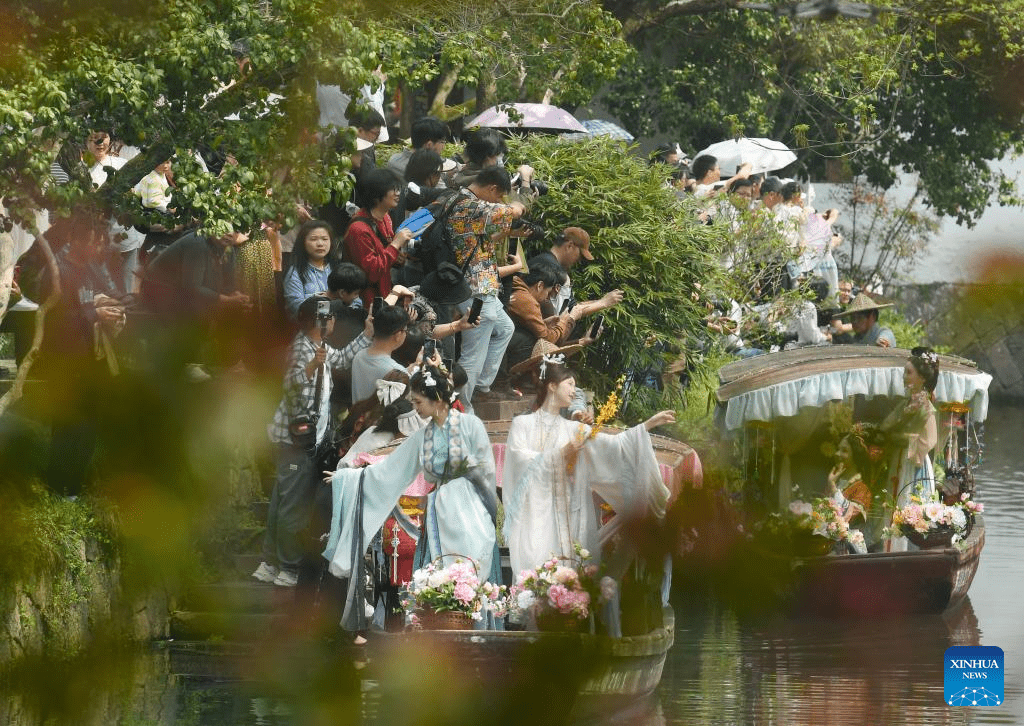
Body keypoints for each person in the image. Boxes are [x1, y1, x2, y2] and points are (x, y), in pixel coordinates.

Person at [321, 364, 499, 631]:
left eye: (417, 401)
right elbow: (390, 470)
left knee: (470, 574)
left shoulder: (470, 425)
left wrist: (487, 513)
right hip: (441, 512)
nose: (414, 408)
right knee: (441, 577)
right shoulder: (423, 437)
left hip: (471, 510)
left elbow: (487, 472)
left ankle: (474, 639)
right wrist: (349, 478)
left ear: (436, 398)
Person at [502, 356, 675, 576]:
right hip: (535, 513)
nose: (574, 391)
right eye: (570, 384)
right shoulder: (522, 424)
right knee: (536, 572)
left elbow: (614, 446)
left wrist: (646, 426)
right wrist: (561, 453)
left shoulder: (573, 429)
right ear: (552, 386)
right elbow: (519, 461)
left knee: (568, 573)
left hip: (567, 512)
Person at [253, 294, 372, 588]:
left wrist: (368, 333)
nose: (331, 322)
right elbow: (290, 383)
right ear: (322, 321)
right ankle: (288, 567)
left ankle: (269, 563)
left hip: (303, 439)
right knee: (292, 504)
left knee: (283, 498)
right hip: (296, 440)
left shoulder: (315, 346)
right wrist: (310, 367)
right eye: (329, 318)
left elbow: (342, 358)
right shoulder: (300, 348)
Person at [446, 165, 526, 406]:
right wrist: (525, 187)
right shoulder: (470, 205)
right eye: (499, 195)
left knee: (505, 328)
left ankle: (480, 385)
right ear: (492, 188)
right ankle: (462, 406)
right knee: (473, 351)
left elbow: (479, 240)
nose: (499, 201)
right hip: (474, 286)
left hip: (481, 283)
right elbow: (516, 210)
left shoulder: (463, 202)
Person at [882, 346, 941, 551]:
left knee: (910, 502)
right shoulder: (907, 403)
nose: (904, 377)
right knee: (894, 502)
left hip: (914, 461)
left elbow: (929, 439)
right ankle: (890, 549)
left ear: (922, 378)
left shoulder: (925, 406)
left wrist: (904, 440)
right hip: (900, 458)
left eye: (909, 373)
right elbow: (886, 426)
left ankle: (908, 550)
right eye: (904, 372)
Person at [343, 167, 414, 308]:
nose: (398, 193)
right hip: (366, 301)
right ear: (376, 194)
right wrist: (395, 244)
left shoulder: (386, 217)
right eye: (392, 189)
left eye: (398, 188)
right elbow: (372, 273)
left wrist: (397, 259)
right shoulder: (358, 229)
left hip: (384, 292)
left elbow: (384, 255)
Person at [350, 304, 412, 402]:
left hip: (358, 416)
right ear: (398, 334)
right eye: (405, 330)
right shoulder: (397, 373)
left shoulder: (358, 356)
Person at [282, 220, 337, 320]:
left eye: (325, 239)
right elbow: (297, 306)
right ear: (303, 242)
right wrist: (325, 299)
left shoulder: (337, 268)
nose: (320, 244)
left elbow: (354, 299)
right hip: (309, 329)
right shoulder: (295, 272)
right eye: (313, 239)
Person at [831, 292, 896, 347]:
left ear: (872, 316)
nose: (854, 322)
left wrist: (883, 342)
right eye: (853, 318)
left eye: (859, 318)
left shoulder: (882, 333)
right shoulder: (856, 339)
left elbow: (885, 338)